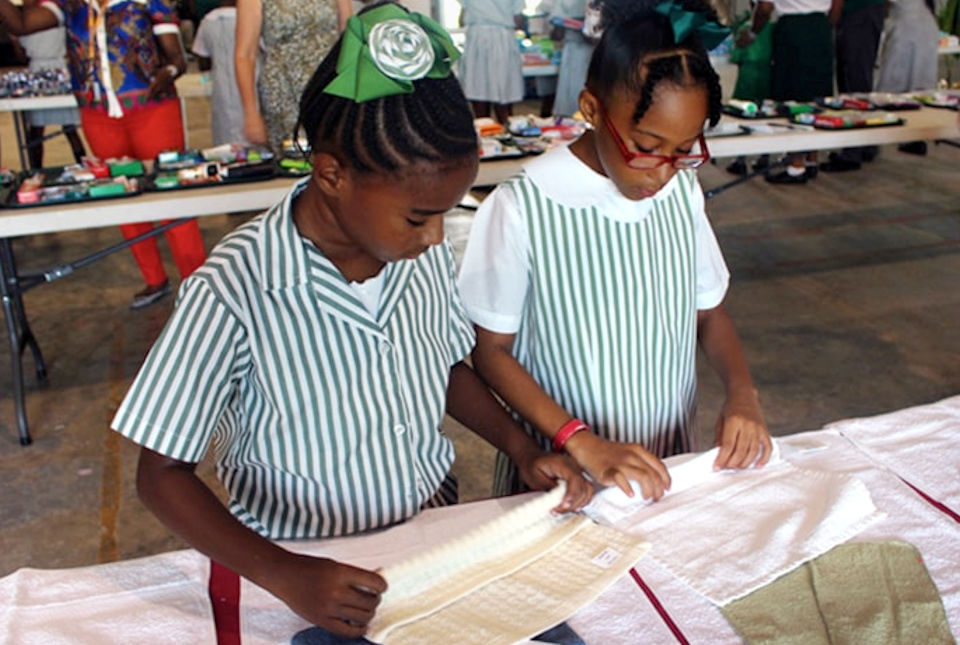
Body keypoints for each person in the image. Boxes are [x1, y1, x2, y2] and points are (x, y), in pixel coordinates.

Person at [111, 3, 590, 639]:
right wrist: (284, 574)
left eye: (443, 217)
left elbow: (444, 365)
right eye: (419, 217)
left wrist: (522, 448)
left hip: (426, 536)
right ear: (332, 174)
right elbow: (161, 474)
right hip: (305, 564)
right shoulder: (236, 288)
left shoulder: (413, 257)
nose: (433, 236)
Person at [458, 0, 773, 501]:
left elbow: (709, 314)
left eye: (684, 149)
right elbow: (491, 353)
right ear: (591, 110)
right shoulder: (523, 207)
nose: (663, 170)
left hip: (664, 463)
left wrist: (742, 393)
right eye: (646, 146)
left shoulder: (681, 194)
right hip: (564, 476)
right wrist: (577, 440)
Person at [0, 0, 208, 309]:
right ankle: (154, 278)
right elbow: (20, 24)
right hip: (98, 115)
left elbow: (177, 56)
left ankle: (199, 285)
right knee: (120, 192)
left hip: (152, 110)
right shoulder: (70, 5)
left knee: (172, 193)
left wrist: (169, 71)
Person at [741, 0, 839, 184]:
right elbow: (837, 4)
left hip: (792, 29)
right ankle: (812, 159)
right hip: (820, 27)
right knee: (816, 95)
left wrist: (753, 32)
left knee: (792, 97)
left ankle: (796, 165)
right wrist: (825, 26)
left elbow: (764, 7)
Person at [235, 0, 351, 152]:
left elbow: (348, 37)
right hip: (283, 92)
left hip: (329, 86)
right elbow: (245, 55)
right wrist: (251, 114)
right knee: (294, 159)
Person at [16, 0, 85, 169]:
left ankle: (82, 164)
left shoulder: (51, 14)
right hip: (51, 70)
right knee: (47, 129)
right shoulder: (27, 21)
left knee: (60, 128)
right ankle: (37, 169)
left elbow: (22, 56)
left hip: (51, 70)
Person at [875, 0, 939, 155]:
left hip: (907, 28)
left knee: (895, 84)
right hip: (923, 24)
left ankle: (880, 136)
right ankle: (917, 136)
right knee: (918, 84)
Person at [456, 0, 525, 122]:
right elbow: (518, 21)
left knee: (478, 89)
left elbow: (461, 20)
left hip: (476, 38)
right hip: (502, 38)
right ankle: (505, 128)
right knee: (503, 90)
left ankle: (482, 127)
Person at [725, 1, 772, 176]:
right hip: (767, 75)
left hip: (747, 77)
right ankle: (764, 157)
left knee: (742, 116)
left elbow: (736, 54)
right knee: (765, 117)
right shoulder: (772, 27)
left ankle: (740, 159)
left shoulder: (745, 29)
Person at [192, 0, 246, 145]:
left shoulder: (207, 22)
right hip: (250, 86)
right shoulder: (248, 19)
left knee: (225, 139)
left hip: (221, 90)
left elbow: (202, 60)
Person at [545, 0, 595, 117]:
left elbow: (595, 36)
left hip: (593, 54)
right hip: (573, 53)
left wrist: (587, 27)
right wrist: (562, 24)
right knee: (569, 105)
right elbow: (556, 35)